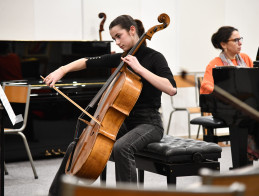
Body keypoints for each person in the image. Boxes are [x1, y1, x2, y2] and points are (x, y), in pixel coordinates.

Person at [45, 15, 177, 195]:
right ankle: (56, 193)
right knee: (75, 145)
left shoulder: (154, 57)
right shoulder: (121, 58)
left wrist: (139, 69)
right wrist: (61, 70)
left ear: (132, 30)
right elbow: (86, 62)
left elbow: (171, 88)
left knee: (122, 147)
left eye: (118, 36)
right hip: (124, 122)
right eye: (113, 38)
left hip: (149, 123)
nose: (116, 42)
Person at [200, 26, 259, 160]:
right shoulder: (214, 64)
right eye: (236, 40)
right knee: (243, 117)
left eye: (240, 39)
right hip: (223, 107)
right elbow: (206, 86)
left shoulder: (246, 59)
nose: (240, 43)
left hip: (246, 105)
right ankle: (242, 162)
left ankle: (249, 154)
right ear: (223, 44)